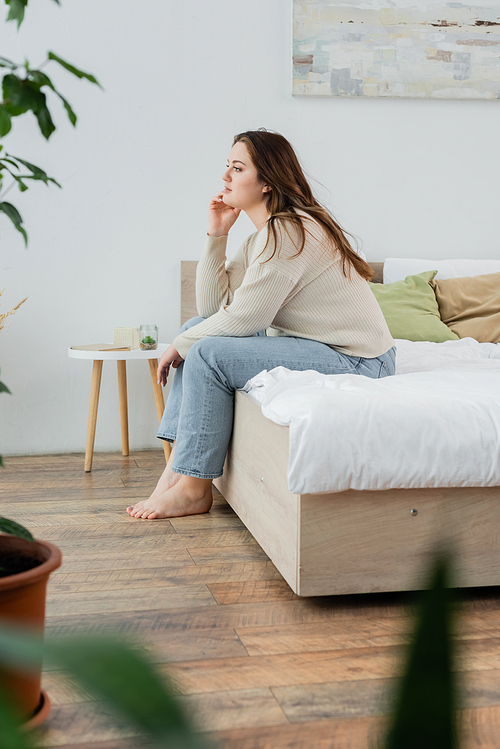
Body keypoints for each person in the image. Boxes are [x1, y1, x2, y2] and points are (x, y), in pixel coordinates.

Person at [127, 129, 395, 520]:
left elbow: (247, 318)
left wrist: (182, 343)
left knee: (205, 349)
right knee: (198, 325)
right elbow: (214, 307)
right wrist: (217, 234)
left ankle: (191, 488)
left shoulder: (290, 231)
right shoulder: (263, 237)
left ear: (267, 181)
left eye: (238, 168)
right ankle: (177, 470)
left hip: (360, 359)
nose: (226, 177)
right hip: (317, 344)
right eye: (228, 167)